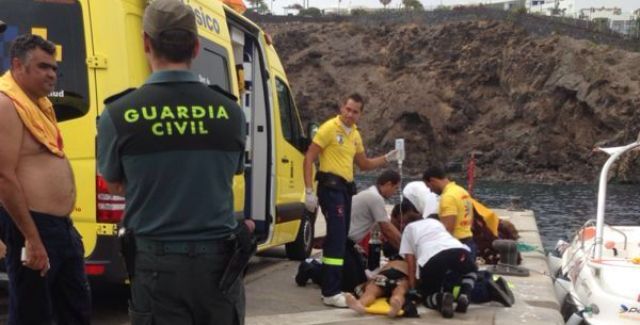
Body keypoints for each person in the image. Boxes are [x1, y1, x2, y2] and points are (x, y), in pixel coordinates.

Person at [97, 1, 249, 324]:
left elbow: (113, 182)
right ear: (195, 47)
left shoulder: (118, 114)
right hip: (219, 264)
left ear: (146, 43)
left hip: (155, 265)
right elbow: (228, 172)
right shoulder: (231, 113)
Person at [0, 34, 91, 324]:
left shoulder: (39, 105)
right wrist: (32, 238)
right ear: (18, 65)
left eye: (54, 68)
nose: (52, 74)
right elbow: (3, 178)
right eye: (42, 67)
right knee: (32, 315)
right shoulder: (6, 105)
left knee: (75, 310)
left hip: (61, 228)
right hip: (33, 226)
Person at [303, 93, 399, 307]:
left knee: (340, 239)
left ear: (360, 114)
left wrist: (387, 158)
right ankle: (330, 291)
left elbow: (363, 164)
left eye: (355, 111)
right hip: (330, 187)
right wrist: (309, 190)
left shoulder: (355, 134)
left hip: (346, 189)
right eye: (347, 109)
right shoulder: (329, 128)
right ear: (341, 107)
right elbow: (309, 157)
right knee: (337, 239)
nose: (349, 114)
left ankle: (329, 284)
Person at [400, 213, 478, 319]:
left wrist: (413, 288)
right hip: (457, 249)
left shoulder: (408, 229)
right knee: (470, 270)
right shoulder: (435, 222)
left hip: (432, 257)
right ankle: (465, 294)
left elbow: (411, 263)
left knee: (427, 297)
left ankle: (441, 298)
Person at [422, 166, 477, 261]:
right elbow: (470, 220)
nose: (431, 191)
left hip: (456, 246)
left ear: (432, 180)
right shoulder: (462, 191)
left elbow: (448, 230)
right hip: (469, 242)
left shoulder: (448, 197)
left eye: (429, 187)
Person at [344, 259, 410, 318]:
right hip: (390, 276)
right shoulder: (407, 263)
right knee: (372, 291)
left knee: (399, 291)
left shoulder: (407, 261)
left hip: (397, 276)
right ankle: (360, 304)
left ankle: (396, 304)